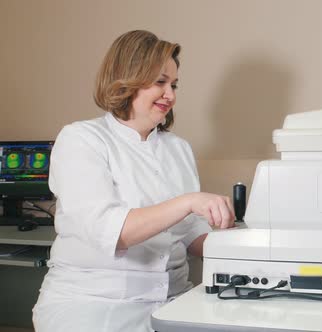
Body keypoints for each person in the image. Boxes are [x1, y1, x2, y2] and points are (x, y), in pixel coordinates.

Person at [32, 30, 235, 332]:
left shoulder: (178, 148)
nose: (171, 95)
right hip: (94, 305)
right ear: (127, 79)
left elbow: (192, 233)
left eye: (174, 84)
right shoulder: (81, 139)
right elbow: (113, 231)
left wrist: (250, 245)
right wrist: (190, 201)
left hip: (172, 301)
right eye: (160, 82)